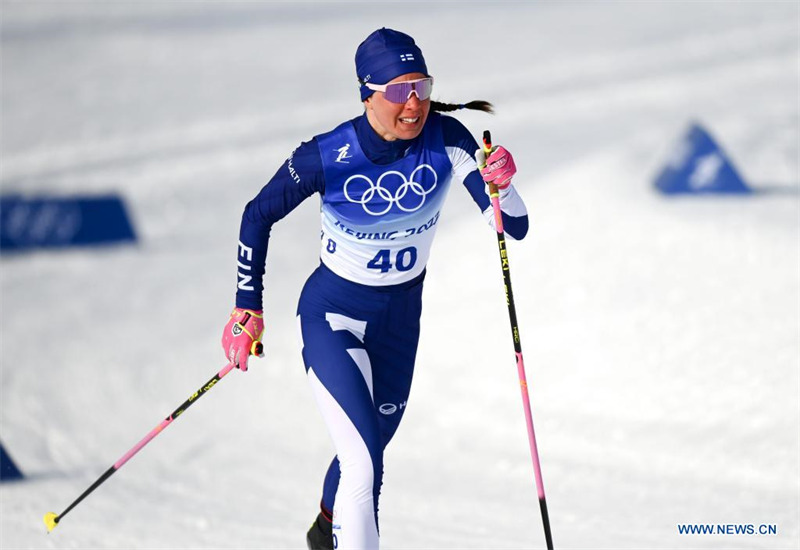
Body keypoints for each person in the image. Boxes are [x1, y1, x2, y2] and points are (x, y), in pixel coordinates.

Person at [221, 28, 529, 550]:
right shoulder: (329, 155)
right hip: (333, 315)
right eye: (398, 90)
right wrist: (247, 308)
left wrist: (503, 183)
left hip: (399, 325)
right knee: (364, 467)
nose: (414, 103)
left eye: (422, 86)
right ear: (368, 93)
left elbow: (512, 226)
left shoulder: (448, 139)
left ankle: (326, 532)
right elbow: (257, 215)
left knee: (366, 455)